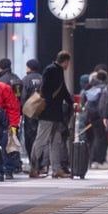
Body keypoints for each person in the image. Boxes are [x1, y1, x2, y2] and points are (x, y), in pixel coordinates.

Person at [30, 50, 72, 179]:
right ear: (65, 61)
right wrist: (49, 104)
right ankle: (34, 168)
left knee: (56, 141)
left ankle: (57, 169)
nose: (68, 65)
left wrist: (70, 102)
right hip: (48, 113)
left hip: (55, 112)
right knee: (41, 140)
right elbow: (45, 90)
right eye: (68, 63)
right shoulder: (51, 70)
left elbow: (63, 89)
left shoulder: (57, 70)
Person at [0, 58, 24, 173]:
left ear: (0, 67)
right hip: (16, 115)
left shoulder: (1, 82)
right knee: (15, 140)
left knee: (4, 142)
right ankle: (16, 164)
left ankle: (7, 166)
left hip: (4, 116)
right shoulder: (18, 79)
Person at [82, 70, 108, 169]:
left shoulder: (92, 87)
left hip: (92, 116)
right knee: (103, 139)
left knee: (95, 139)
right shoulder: (105, 88)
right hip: (101, 116)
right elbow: (104, 104)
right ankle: (99, 160)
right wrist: (105, 116)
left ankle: (93, 160)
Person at [20, 58, 43, 174]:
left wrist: (21, 111)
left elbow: (23, 97)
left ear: (28, 67)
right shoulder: (43, 79)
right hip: (42, 113)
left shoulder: (25, 80)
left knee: (30, 139)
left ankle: (33, 163)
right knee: (41, 137)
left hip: (29, 113)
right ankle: (42, 163)